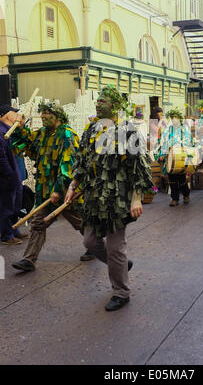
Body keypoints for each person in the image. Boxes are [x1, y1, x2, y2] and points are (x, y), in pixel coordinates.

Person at [65, 86, 153, 311]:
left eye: (103, 100)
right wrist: (73, 185)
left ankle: (121, 292)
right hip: (95, 200)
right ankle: (121, 264)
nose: (98, 103)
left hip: (118, 200)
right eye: (98, 100)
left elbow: (139, 168)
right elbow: (82, 162)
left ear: (114, 106)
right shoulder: (90, 130)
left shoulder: (128, 131)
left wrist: (136, 198)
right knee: (90, 242)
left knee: (115, 248)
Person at [11, 102, 94, 273]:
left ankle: (95, 245)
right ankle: (29, 260)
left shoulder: (67, 135)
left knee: (79, 222)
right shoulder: (42, 134)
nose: (42, 116)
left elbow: (69, 166)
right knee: (38, 223)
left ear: (57, 116)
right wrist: (19, 127)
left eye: (46, 113)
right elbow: (29, 143)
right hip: (45, 190)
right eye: (42, 113)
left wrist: (58, 189)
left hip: (64, 191)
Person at [155, 107, 192, 207]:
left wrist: (182, 150)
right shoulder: (167, 130)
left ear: (179, 119)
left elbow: (188, 141)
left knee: (182, 178)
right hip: (170, 158)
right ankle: (174, 198)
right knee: (171, 178)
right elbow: (163, 142)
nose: (174, 120)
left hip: (180, 157)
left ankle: (186, 194)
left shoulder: (184, 130)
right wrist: (162, 155)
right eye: (173, 118)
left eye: (176, 118)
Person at [0, 105, 26, 245]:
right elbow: (1, 158)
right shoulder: (1, 132)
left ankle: (14, 230)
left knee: (15, 204)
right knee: (6, 206)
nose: (17, 115)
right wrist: (9, 174)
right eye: (14, 113)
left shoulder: (10, 130)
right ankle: (6, 235)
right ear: (6, 115)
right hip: (7, 177)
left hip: (14, 175)